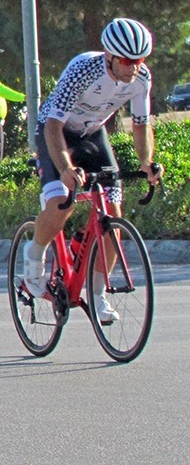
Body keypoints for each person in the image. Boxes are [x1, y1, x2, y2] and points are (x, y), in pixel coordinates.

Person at [21, 17, 163, 324]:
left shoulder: (141, 79)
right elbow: (54, 125)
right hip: (55, 133)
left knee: (113, 216)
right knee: (62, 201)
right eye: (127, 61)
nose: (134, 67)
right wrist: (65, 168)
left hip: (93, 134)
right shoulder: (83, 70)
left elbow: (141, 125)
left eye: (139, 60)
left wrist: (145, 162)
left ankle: (97, 296)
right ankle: (33, 256)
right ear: (109, 56)